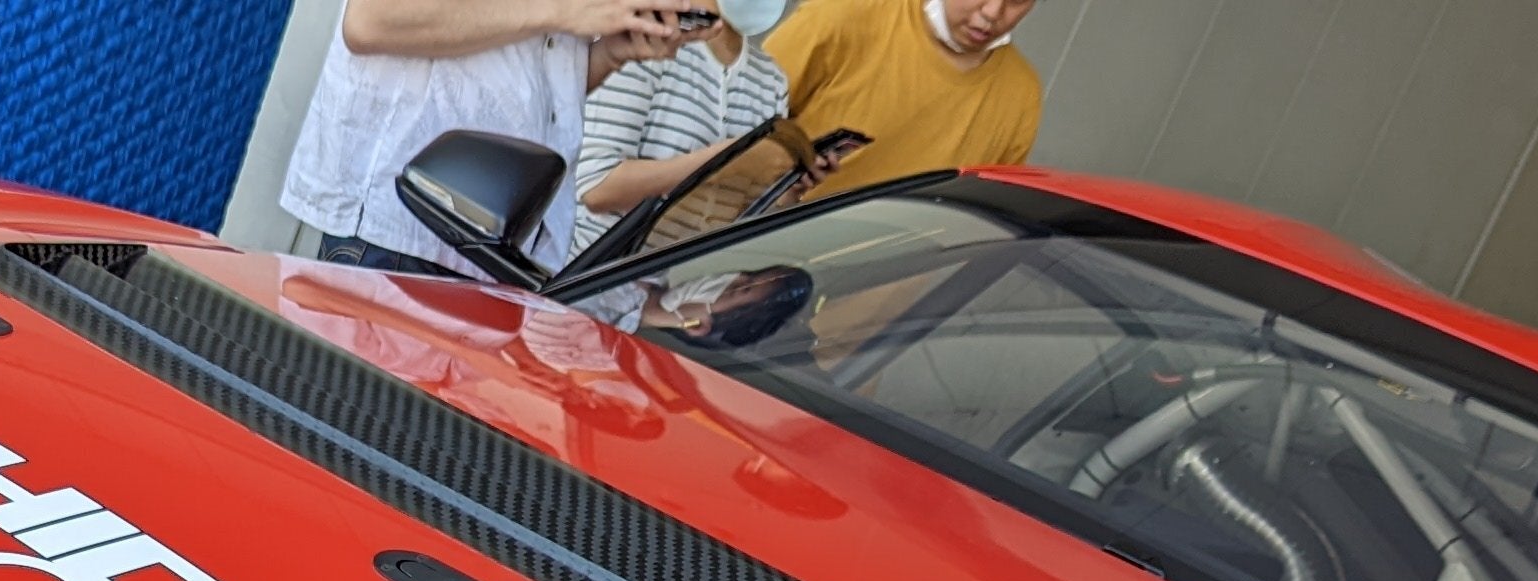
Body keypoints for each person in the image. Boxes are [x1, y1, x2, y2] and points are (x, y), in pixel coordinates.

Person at [282, 0, 692, 280]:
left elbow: (531, 89)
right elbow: (373, 20)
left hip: (500, 252)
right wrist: (562, 9)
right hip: (403, 236)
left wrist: (612, 54)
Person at [571, 1, 798, 251]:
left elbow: (745, 214)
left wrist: (789, 185)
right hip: (602, 267)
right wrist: (726, 159)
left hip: (684, 270)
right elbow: (597, 188)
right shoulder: (649, 42)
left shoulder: (771, 79)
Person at [762, 0, 1043, 198]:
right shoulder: (843, 16)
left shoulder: (1021, 93)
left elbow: (982, 211)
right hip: (773, 243)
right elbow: (742, 128)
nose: (993, 12)